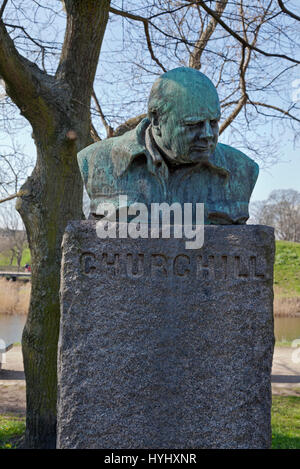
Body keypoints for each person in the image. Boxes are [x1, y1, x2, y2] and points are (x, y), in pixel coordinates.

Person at [78, 67, 258, 224]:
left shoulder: (242, 171)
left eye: (213, 122)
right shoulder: (96, 161)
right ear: (156, 119)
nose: (208, 135)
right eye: (193, 125)